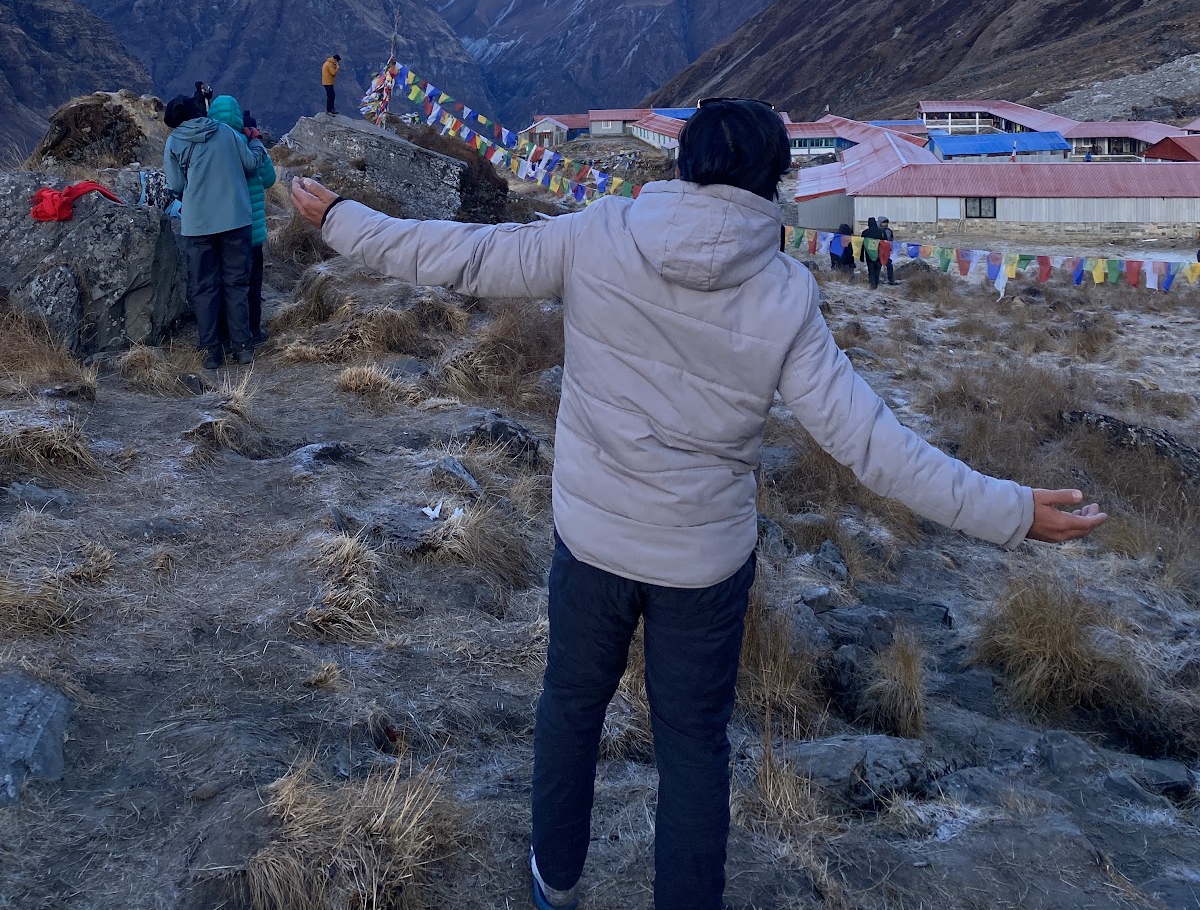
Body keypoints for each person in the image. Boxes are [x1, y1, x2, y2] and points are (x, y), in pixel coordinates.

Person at [289, 99, 1104, 910]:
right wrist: (1008, 509)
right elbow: (872, 446)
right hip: (703, 570)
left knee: (571, 709)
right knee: (692, 751)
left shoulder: (597, 233)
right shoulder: (784, 293)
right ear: (770, 182)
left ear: (684, 167)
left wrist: (346, 223)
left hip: (593, 540)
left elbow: (462, 255)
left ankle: (555, 882)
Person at [163, 93, 268, 369]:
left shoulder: (174, 141)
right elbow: (250, 164)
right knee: (237, 283)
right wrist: (257, 144)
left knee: (204, 286)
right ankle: (243, 347)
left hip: (198, 225)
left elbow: (174, 184)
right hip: (236, 219)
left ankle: (210, 351)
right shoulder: (225, 132)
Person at [207, 96, 276, 345]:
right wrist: (257, 143)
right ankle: (253, 331)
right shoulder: (250, 144)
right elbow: (269, 180)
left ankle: (225, 334)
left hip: (221, 227)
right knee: (252, 283)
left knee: (224, 281)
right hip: (252, 229)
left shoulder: (212, 144)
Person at [862, 216, 884, 289]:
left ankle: (872, 284)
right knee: (877, 269)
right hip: (879, 253)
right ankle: (876, 283)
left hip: (869, 254)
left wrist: (861, 256)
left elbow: (862, 245)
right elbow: (886, 243)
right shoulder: (881, 232)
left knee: (871, 269)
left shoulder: (865, 232)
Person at [880, 216, 896, 284]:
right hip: (879, 250)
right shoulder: (877, 230)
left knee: (889, 265)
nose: (885, 224)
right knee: (878, 266)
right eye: (884, 222)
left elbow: (891, 240)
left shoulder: (889, 231)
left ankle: (891, 280)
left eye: (886, 222)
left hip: (886, 251)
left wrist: (891, 248)